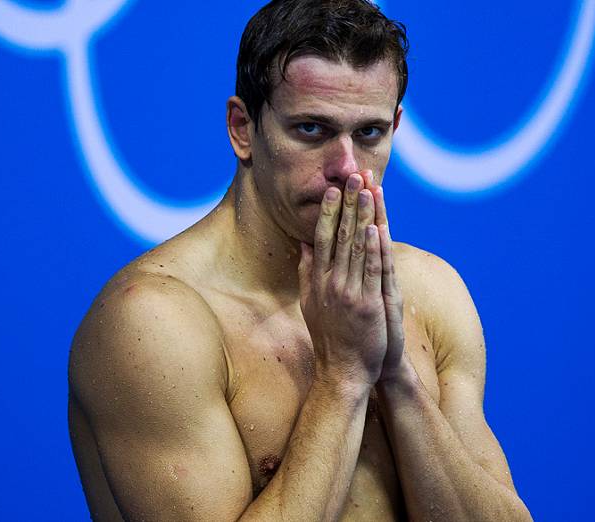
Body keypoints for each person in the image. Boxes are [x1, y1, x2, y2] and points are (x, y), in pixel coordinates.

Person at [68, 0, 532, 520]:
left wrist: (398, 376)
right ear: (243, 128)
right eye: (312, 130)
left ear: (396, 127)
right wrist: (343, 378)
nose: (346, 168)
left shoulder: (430, 292)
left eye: (369, 133)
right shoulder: (157, 324)